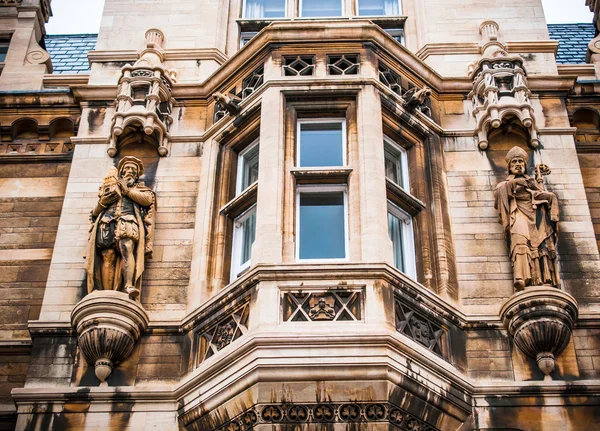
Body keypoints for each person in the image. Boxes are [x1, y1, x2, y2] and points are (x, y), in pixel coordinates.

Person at [85, 156, 155, 300]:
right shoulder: (110, 187)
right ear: (122, 171)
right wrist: (103, 202)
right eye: (127, 168)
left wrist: (127, 190)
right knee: (107, 255)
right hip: (107, 222)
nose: (130, 171)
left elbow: (147, 199)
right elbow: (95, 213)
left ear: (137, 174)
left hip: (127, 221)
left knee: (127, 249)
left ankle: (128, 285)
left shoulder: (140, 189)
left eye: (133, 169)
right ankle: (106, 291)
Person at [494, 146, 560, 290]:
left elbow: (546, 197)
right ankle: (521, 277)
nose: (518, 164)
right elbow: (499, 193)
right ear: (510, 167)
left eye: (521, 162)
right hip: (517, 213)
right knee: (520, 242)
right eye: (514, 162)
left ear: (525, 165)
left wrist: (543, 196)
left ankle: (544, 278)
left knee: (543, 245)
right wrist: (516, 183)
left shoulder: (533, 183)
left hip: (537, 215)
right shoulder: (505, 184)